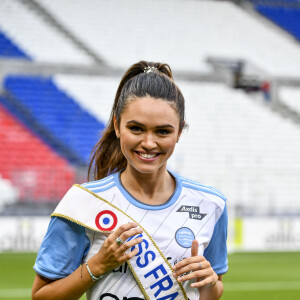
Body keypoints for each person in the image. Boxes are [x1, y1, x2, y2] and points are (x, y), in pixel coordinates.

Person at [32, 61, 228, 300]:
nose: (148, 142)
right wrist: (97, 265)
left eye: (163, 131)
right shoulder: (82, 203)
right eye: (136, 128)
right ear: (117, 125)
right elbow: (41, 296)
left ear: (179, 132)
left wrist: (209, 286)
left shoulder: (210, 204)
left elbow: (211, 292)